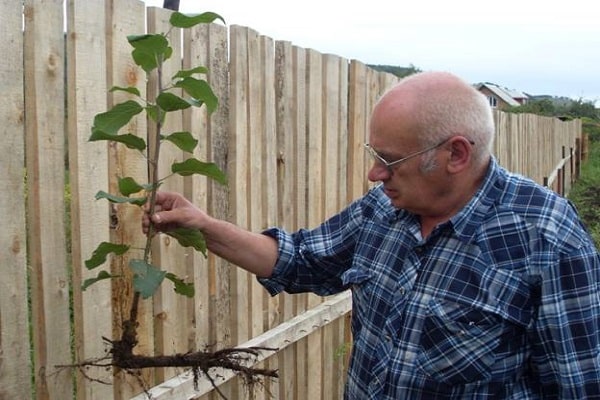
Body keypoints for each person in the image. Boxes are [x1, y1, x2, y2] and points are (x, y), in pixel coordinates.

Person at [143, 71, 600, 399]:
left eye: (390, 158)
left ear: (456, 154)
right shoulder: (383, 210)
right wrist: (203, 225)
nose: (374, 173)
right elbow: (300, 260)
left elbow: (579, 385)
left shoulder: (546, 241)